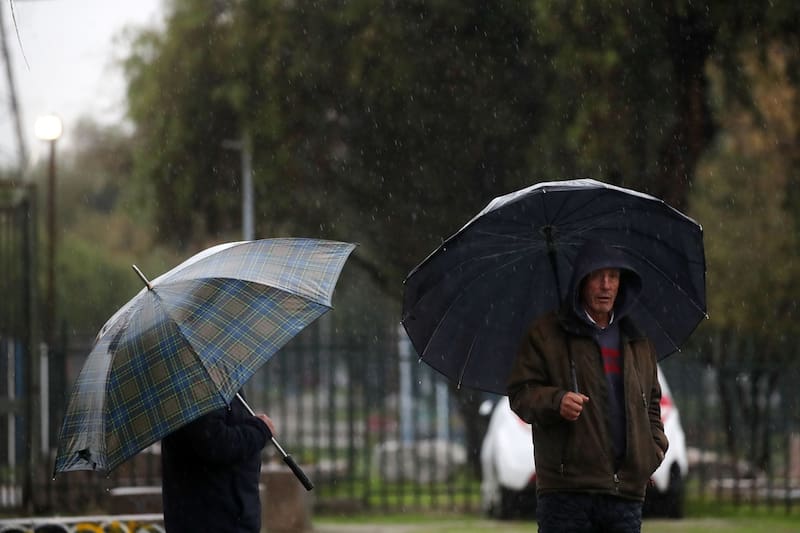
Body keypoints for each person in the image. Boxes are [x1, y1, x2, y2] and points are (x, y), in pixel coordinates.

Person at [507, 241, 668, 533]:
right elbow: (521, 394)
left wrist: (652, 451)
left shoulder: (637, 339)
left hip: (625, 495)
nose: (606, 285)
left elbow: (652, 403)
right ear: (582, 280)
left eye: (614, 276)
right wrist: (556, 401)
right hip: (567, 493)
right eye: (598, 276)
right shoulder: (546, 334)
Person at [160, 391, 276, 533]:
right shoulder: (199, 389)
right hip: (215, 517)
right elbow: (216, 443)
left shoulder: (212, 386)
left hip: (221, 513)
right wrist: (259, 430)